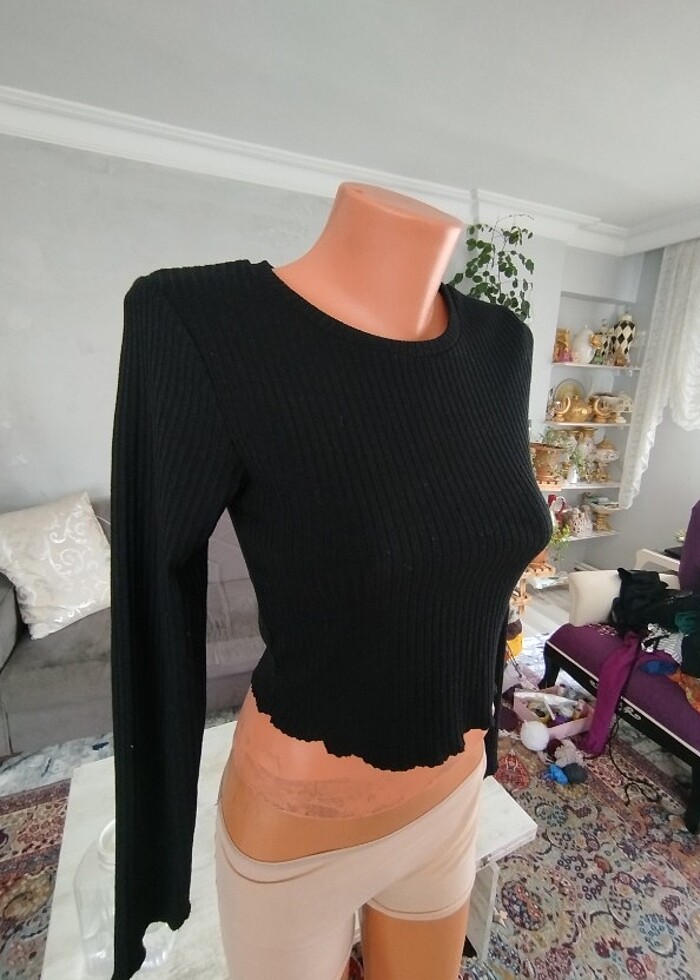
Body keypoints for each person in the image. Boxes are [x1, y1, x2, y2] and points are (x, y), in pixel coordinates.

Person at [110, 182, 551, 980]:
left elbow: (475, 574)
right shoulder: (202, 323)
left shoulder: (502, 346)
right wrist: (151, 872)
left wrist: (485, 739)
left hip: (452, 794)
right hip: (300, 826)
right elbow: (152, 593)